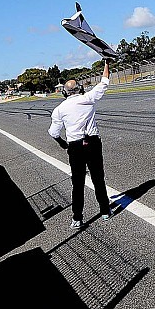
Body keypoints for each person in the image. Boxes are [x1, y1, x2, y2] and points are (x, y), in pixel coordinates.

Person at [49, 61, 112, 230]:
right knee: (98, 178)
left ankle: (77, 218)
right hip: (92, 143)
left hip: (75, 147)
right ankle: (105, 211)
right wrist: (107, 63)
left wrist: (64, 144)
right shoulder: (88, 98)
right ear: (80, 89)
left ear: (64, 92)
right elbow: (104, 81)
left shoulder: (59, 109)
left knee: (77, 183)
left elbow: (53, 132)